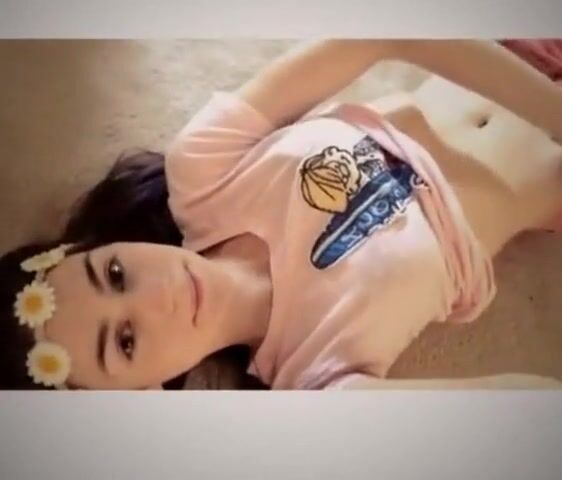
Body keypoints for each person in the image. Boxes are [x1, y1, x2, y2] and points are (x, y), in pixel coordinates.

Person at [1, 39, 561, 390]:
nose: (158, 295)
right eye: (126, 340)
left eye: (116, 273)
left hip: (501, 57)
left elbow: (380, 31)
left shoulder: (202, 174)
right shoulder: (318, 378)